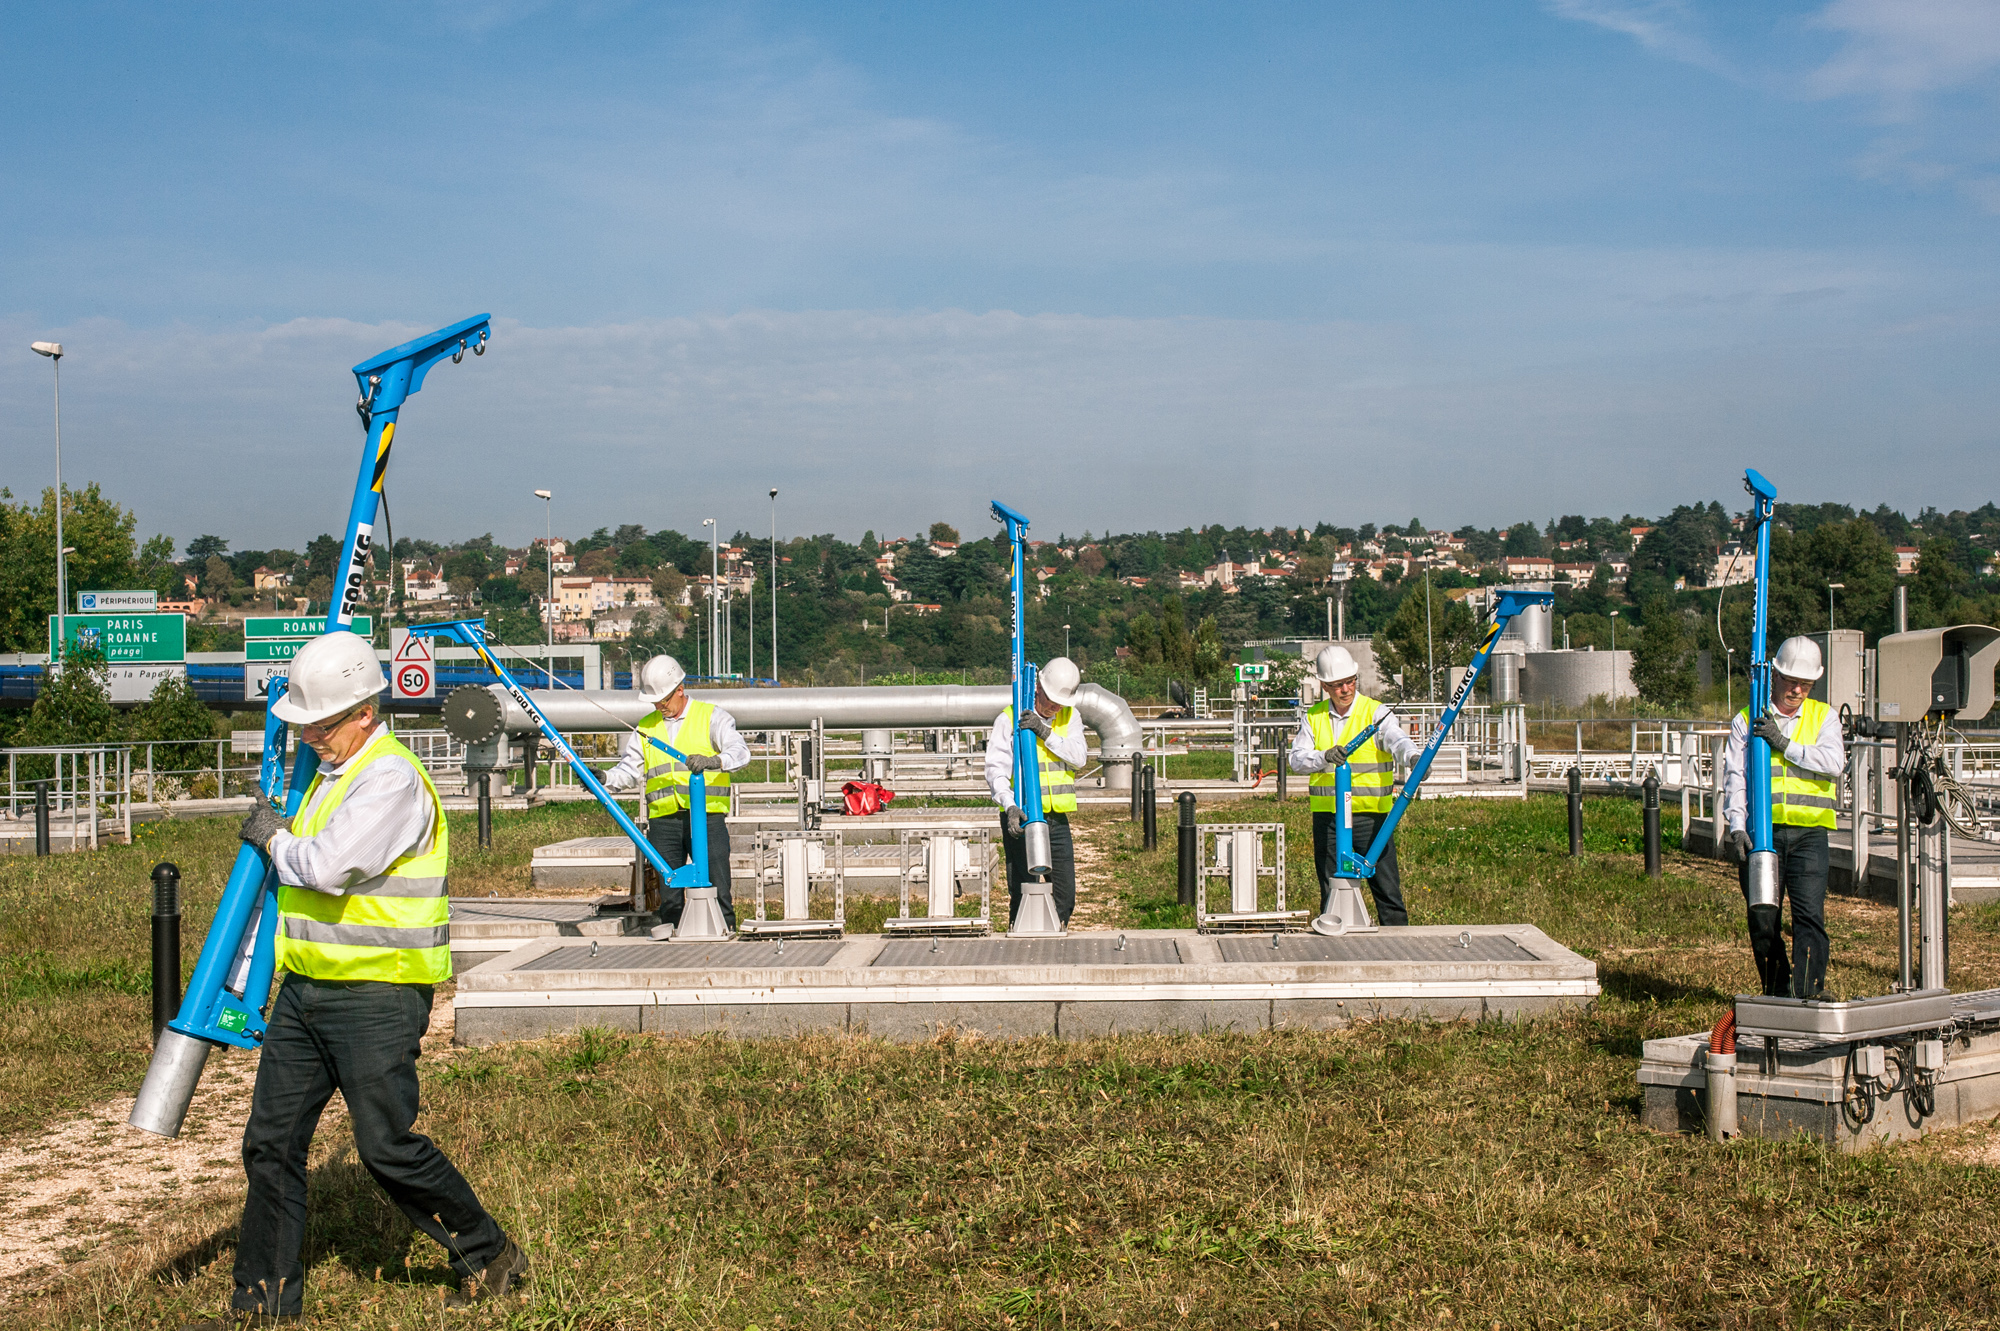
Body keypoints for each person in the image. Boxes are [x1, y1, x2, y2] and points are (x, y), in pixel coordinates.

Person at [190, 631, 526, 1328]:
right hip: (307, 991)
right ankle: (261, 1309)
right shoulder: (330, 774)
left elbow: (326, 865)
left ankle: (489, 1252)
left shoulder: (390, 779)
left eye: (321, 721)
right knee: (270, 1143)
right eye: (303, 722)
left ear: (365, 713)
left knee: (384, 1145)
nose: (309, 734)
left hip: (379, 993)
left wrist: (272, 838)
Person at [1720, 635, 1846, 998]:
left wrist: (1785, 744)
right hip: (1763, 835)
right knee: (1763, 918)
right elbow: (1736, 777)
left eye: (1805, 684)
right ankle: (1776, 993)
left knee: (1809, 917)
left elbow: (1834, 763)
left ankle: (1810, 993)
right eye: (1792, 681)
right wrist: (1738, 827)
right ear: (1774, 675)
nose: (1798, 690)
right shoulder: (1747, 720)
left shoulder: (1825, 717)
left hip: (1809, 835)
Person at [601, 654, 750, 935]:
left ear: (680, 689)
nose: (660, 706)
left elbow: (740, 752)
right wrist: (606, 779)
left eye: (664, 700)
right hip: (664, 822)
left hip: (705, 819)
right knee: (669, 897)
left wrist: (715, 761)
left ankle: (724, 935)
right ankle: (673, 946)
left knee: (717, 886)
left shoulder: (711, 717)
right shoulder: (646, 727)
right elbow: (629, 771)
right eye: (655, 702)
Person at [1287, 645, 1423, 926]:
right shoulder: (1313, 718)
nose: (1346, 689)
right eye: (1338, 685)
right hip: (1330, 820)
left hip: (1370, 819)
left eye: (1350, 681)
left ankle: (1398, 942)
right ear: (1325, 686)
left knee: (1386, 889)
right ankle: (1333, 938)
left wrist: (1412, 757)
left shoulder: (1376, 713)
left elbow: (1396, 739)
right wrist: (1323, 757)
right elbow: (1297, 760)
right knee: (1331, 887)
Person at [985, 657, 1086, 927]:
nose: (1055, 708)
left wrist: (1045, 732)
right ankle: (1019, 939)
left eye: (1060, 703)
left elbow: (1079, 757)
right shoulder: (1008, 719)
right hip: (1022, 816)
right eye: (1051, 701)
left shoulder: (1069, 716)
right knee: (1022, 890)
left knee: (1064, 896)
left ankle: (1057, 934)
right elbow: (996, 771)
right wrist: (1010, 807)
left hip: (1055, 818)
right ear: (1038, 687)